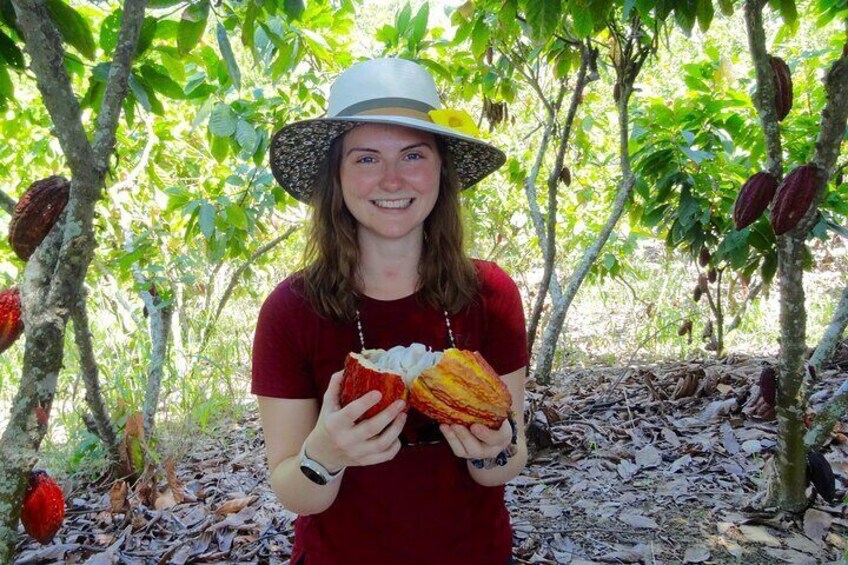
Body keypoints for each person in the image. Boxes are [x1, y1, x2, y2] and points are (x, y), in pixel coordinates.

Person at [252, 57, 528, 565]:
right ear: (335, 175)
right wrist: (326, 455)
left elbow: (507, 462)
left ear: (441, 169)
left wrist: (493, 446)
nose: (393, 180)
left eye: (413, 155)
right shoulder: (290, 312)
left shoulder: (490, 293)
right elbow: (292, 489)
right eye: (366, 159)